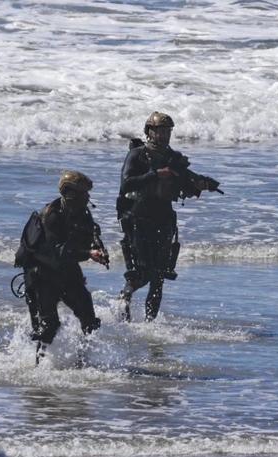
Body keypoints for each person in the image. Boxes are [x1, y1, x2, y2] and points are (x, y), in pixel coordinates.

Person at [117, 112, 219, 322]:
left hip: (164, 218)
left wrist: (200, 186)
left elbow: (185, 186)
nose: (164, 135)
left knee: (159, 276)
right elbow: (126, 183)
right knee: (142, 272)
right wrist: (155, 174)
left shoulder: (174, 158)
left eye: (168, 131)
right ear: (150, 132)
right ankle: (124, 298)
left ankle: (149, 325)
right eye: (160, 131)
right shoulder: (138, 154)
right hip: (139, 217)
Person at [16, 171, 106, 364]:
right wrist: (89, 254)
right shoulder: (52, 216)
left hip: (68, 272)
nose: (88, 197)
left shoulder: (82, 211)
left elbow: (90, 232)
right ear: (71, 194)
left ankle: (83, 362)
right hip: (42, 276)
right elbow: (61, 253)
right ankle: (38, 368)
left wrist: (97, 245)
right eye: (84, 193)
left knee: (89, 320)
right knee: (48, 327)